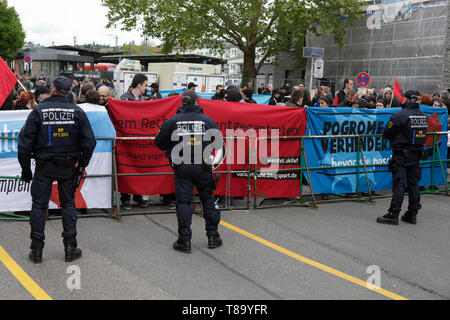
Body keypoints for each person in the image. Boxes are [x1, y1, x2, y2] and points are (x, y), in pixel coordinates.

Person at [18, 76, 97, 263]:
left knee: (39, 205)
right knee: (68, 204)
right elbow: (89, 142)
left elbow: (24, 145)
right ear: (69, 91)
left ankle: (36, 249)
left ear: (53, 89)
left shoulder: (39, 110)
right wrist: (81, 165)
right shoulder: (77, 111)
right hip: (68, 166)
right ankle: (70, 247)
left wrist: (25, 170)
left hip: (44, 166)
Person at [155, 91, 223, 253]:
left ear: (183, 104)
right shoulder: (207, 120)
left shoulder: (173, 121)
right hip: (203, 165)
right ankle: (213, 236)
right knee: (207, 199)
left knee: (183, 202)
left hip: (182, 166)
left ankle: (184, 240)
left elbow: (159, 143)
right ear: (197, 103)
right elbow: (219, 143)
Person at [377, 90, 428, 226]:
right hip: (416, 154)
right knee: (413, 184)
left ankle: (393, 214)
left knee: (399, 184)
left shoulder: (400, 115)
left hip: (401, 154)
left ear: (405, 99)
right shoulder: (423, 115)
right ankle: (412, 214)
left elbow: (387, 133)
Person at [119, 73, 150, 209]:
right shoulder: (124, 99)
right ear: (139, 84)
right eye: (145, 85)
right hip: (127, 141)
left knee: (140, 170)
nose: (146, 88)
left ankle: (138, 195)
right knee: (126, 168)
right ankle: (125, 198)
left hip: (141, 142)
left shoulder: (145, 100)